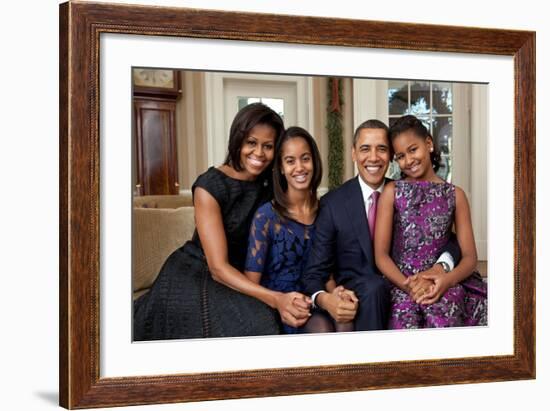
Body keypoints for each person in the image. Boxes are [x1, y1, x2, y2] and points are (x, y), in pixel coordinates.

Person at [134, 102, 292, 340]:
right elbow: (218, 268)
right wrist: (275, 298)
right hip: (197, 272)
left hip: (241, 273)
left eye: (268, 146)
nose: (259, 153)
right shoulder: (210, 185)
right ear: (237, 140)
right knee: (257, 323)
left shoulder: (272, 185)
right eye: (251, 143)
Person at [301, 119, 461, 332]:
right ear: (353, 153)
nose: (374, 157)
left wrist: (442, 266)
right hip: (361, 296)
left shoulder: (407, 193)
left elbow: (447, 238)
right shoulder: (333, 204)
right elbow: (314, 272)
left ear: (391, 156)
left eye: (382, 149)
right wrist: (328, 297)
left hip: (409, 287)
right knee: (374, 288)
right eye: (365, 149)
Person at [374, 115, 487, 328]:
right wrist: (409, 287)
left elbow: (470, 257)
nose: (408, 160)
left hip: (442, 281)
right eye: (400, 156)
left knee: (447, 307)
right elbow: (381, 255)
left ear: (429, 144)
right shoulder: (392, 192)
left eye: (413, 150)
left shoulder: (456, 195)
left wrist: (446, 280)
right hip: (402, 282)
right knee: (403, 313)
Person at [244, 126, 323, 334]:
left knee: (344, 324)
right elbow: (251, 284)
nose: (299, 167)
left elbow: (331, 269)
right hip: (279, 307)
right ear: (280, 167)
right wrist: (279, 302)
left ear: (314, 161)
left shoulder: (327, 211)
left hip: (317, 300)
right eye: (290, 161)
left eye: (305, 158)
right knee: (322, 329)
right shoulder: (266, 217)